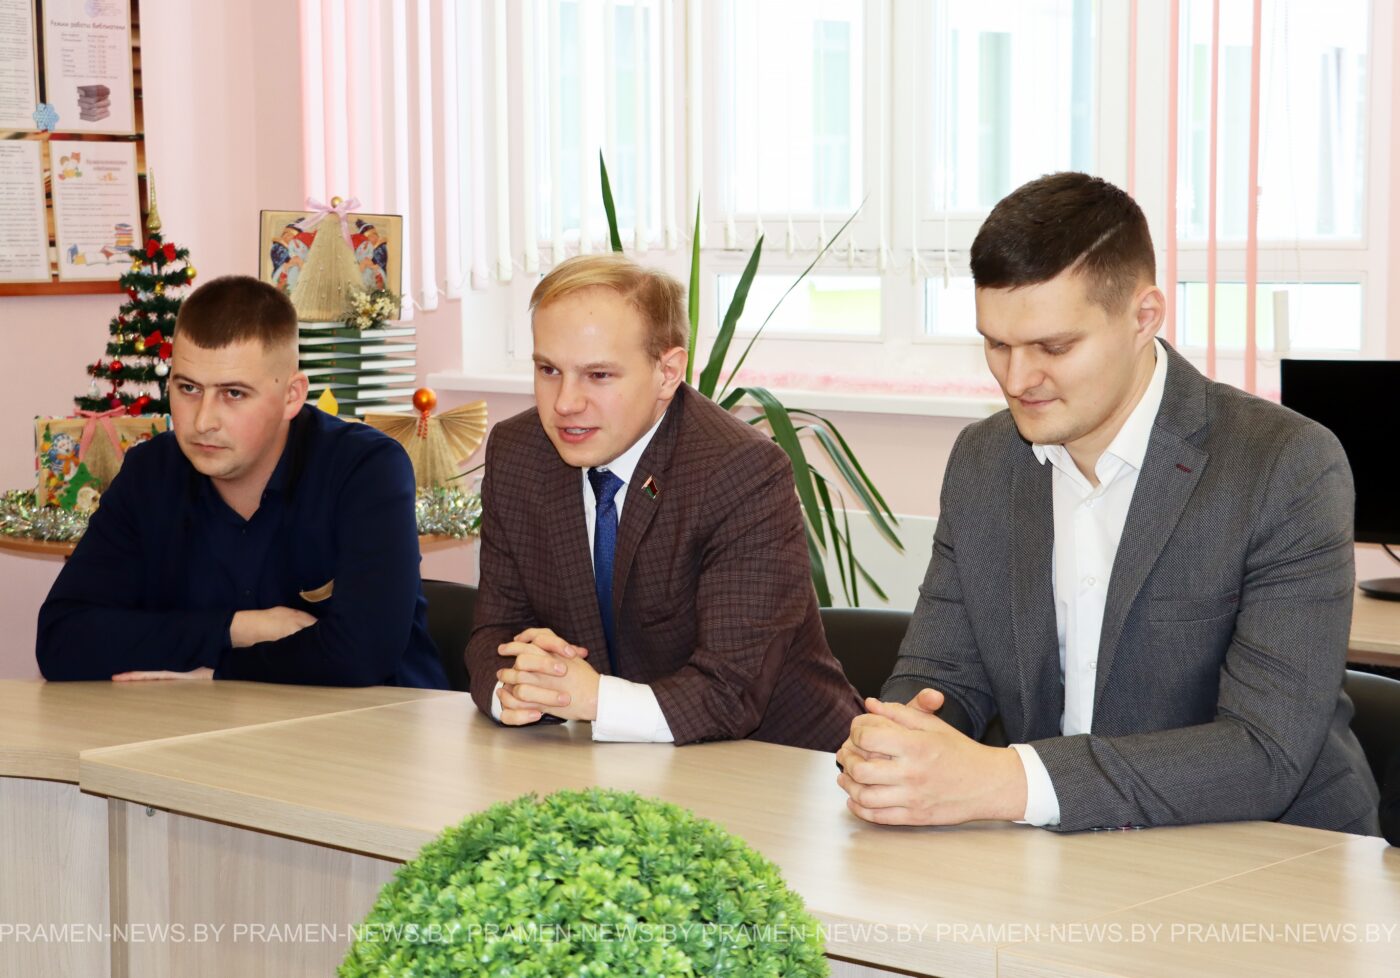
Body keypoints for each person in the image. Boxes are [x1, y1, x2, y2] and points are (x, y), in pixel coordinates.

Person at [837, 172, 1379, 834]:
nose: (1016, 379)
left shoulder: (1283, 465)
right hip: (1064, 851)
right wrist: (899, 744)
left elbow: (1264, 754)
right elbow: (942, 673)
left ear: (1144, 317)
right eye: (997, 344)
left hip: (1276, 851)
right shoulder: (985, 462)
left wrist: (1011, 781)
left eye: (1054, 347)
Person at [465, 253, 861, 749]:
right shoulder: (520, 452)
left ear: (668, 372)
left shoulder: (741, 471)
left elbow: (731, 691)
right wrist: (516, 687)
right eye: (548, 369)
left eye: (598, 375)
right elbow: (495, 632)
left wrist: (593, 699)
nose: (565, 403)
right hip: (610, 763)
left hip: (784, 762)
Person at [37, 275, 447, 689]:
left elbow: (363, 655)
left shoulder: (366, 469)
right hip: (205, 724)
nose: (203, 421)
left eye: (233, 394)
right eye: (188, 388)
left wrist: (218, 670)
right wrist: (239, 629)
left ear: (292, 396)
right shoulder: (150, 474)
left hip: (380, 721)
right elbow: (61, 639)